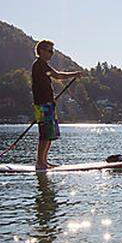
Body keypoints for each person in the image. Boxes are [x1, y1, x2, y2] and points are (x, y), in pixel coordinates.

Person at [31, 40, 82, 170]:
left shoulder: (44, 65)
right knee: (44, 133)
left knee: (50, 133)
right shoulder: (39, 65)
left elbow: (56, 76)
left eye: (52, 51)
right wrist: (74, 74)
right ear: (41, 51)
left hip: (48, 103)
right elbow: (58, 76)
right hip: (42, 104)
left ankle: (44, 161)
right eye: (49, 51)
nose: (51, 53)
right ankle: (39, 163)